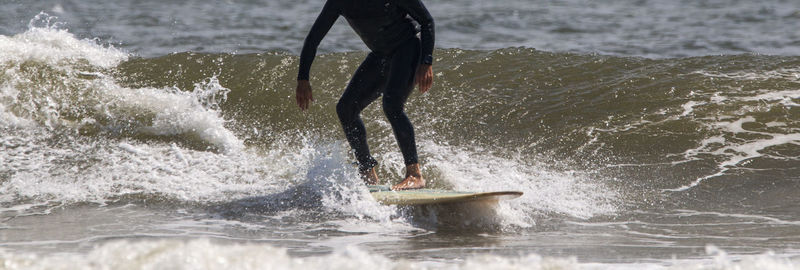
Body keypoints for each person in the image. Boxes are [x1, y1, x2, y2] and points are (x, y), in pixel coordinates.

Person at [294, 0, 434, 190]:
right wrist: (303, 79)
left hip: (408, 48)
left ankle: (415, 175)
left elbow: (427, 21)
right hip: (381, 54)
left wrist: (426, 62)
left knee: (392, 105)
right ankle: (367, 172)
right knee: (346, 108)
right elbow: (313, 39)